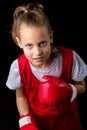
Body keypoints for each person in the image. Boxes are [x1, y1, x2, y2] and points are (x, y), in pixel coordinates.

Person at [6, 2, 87, 130]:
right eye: (29, 45)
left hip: (68, 119)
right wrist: (26, 121)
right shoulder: (18, 67)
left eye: (42, 43)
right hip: (39, 121)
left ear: (51, 37)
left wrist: (68, 90)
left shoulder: (70, 57)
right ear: (19, 42)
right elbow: (20, 96)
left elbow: (82, 86)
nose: (37, 52)